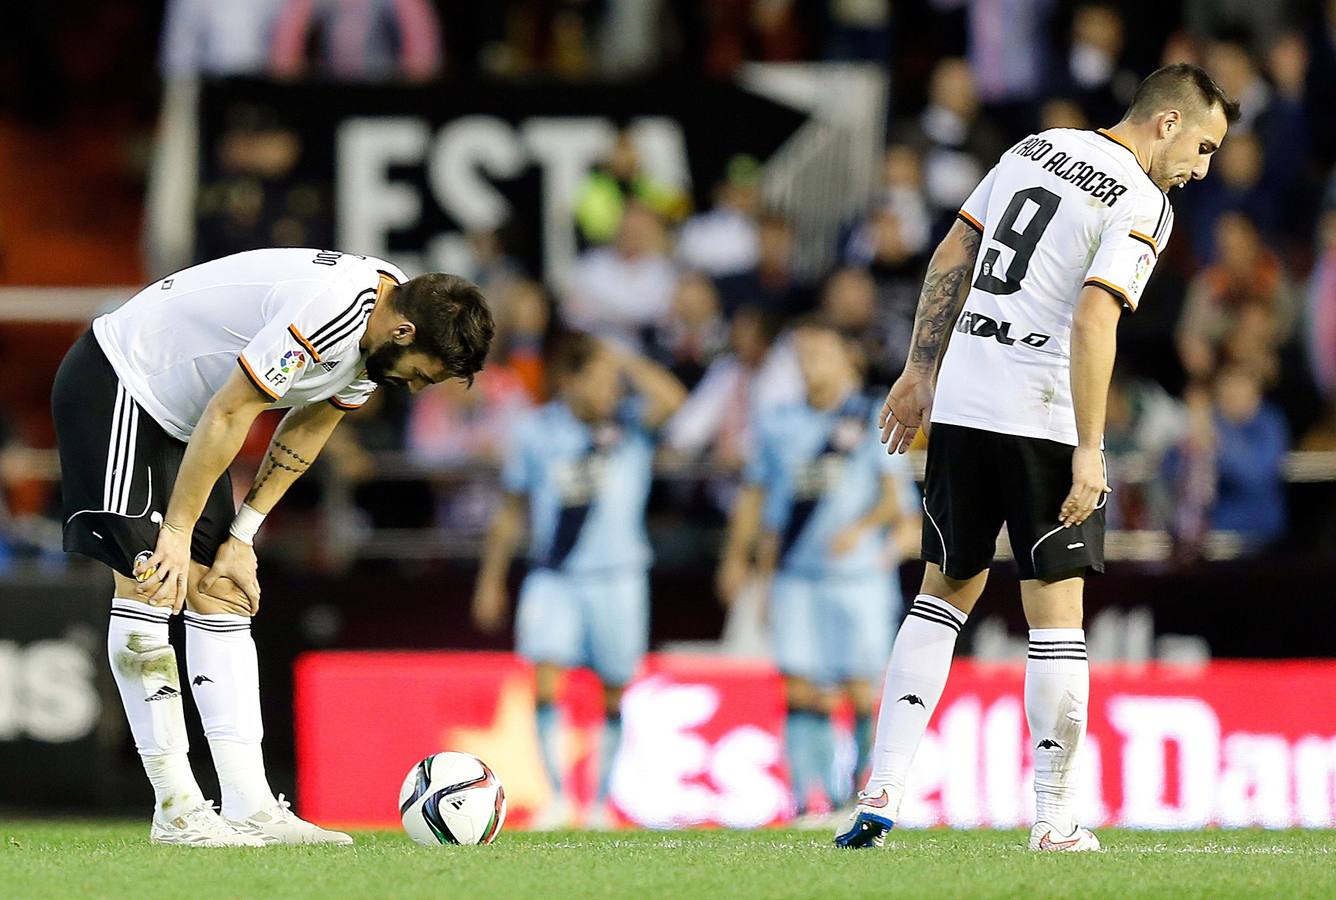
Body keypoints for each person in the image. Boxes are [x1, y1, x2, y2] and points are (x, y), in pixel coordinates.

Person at [835, 64, 1238, 852]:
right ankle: (1054, 819)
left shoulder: (1036, 146)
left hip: (962, 399)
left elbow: (954, 248)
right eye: (1204, 147)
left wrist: (919, 369)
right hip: (1043, 414)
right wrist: (1090, 447)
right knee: (1055, 616)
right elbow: (1093, 318)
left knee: (941, 594)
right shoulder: (1143, 200)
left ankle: (882, 789)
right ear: (1167, 123)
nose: (1201, 168)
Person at [50, 249, 493, 847]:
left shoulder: (380, 337)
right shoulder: (331, 310)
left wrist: (242, 536)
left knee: (223, 591)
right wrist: (176, 534)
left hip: (188, 419)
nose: (414, 388)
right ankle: (176, 808)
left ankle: (249, 804)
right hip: (123, 382)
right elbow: (234, 408)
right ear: (404, 332)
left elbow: (309, 426)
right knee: (152, 580)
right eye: (422, 374)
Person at [471, 332, 686, 830]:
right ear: (571, 380)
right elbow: (511, 508)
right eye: (600, 379)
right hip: (556, 575)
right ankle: (558, 799)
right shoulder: (536, 430)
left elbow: (674, 400)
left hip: (619, 575)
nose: (611, 389)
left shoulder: (629, 424)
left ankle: (600, 804)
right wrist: (491, 579)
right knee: (546, 680)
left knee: (613, 689)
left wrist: (623, 358)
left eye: (614, 380)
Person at [718, 317, 917, 826]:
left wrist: (861, 528)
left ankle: (856, 792)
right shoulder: (778, 423)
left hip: (856, 577)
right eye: (803, 358)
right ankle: (809, 800)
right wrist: (742, 561)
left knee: (859, 686)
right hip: (796, 575)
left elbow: (897, 503)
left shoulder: (872, 417)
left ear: (847, 360)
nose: (811, 367)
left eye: (821, 356)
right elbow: (760, 499)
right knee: (799, 684)